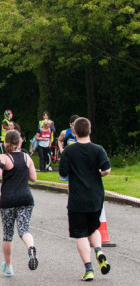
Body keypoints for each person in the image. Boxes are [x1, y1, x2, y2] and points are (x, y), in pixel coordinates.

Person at [58, 117, 111, 281]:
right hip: (95, 197)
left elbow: (62, 174)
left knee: (80, 234)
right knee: (93, 229)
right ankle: (99, 251)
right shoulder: (98, 149)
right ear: (90, 130)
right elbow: (107, 170)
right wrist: (98, 173)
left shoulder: (69, 151)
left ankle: (89, 269)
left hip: (77, 199)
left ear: (74, 132)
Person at [0, 130, 39, 276]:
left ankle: (9, 266)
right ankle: (30, 247)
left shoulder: (4, 157)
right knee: (24, 229)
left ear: (5, 142)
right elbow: (33, 178)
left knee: (8, 234)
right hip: (26, 198)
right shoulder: (27, 157)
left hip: (8, 200)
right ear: (19, 142)